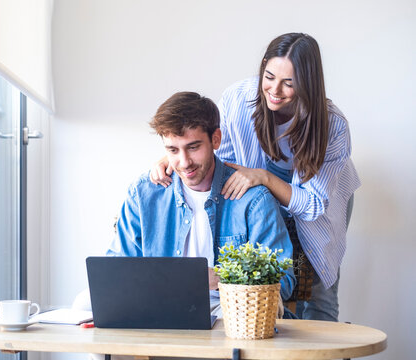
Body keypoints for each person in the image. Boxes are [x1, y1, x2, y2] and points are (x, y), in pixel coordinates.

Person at [150, 33, 360, 322]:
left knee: (316, 292)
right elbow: (210, 145)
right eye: (270, 76)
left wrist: (263, 177)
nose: (275, 90)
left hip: (318, 202)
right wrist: (176, 155)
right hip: (260, 195)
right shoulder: (240, 99)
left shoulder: (332, 125)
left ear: (308, 83)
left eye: (289, 83)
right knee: (276, 288)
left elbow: (312, 204)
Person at [109, 91, 295, 317]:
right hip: (158, 304)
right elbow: (116, 269)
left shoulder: (253, 199)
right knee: (84, 305)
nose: (184, 162)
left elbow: (282, 281)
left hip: (229, 310)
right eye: (173, 150)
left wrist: (222, 278)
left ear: (215, 139)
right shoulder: (144, 193)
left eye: (193, 147)